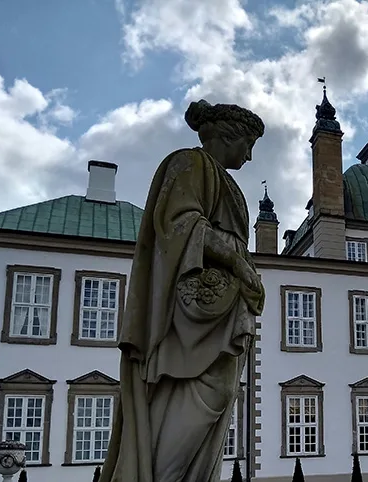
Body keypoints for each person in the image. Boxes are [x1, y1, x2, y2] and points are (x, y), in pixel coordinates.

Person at [99, 99, 266, 482]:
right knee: (207, 389)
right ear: (229, 136)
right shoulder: (190, 164)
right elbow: (181, 222)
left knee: (220, 391)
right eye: (249, 144)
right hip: (193, 310)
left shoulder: (222, 179)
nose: (251, 156)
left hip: (220, 306)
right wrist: (239, 262)